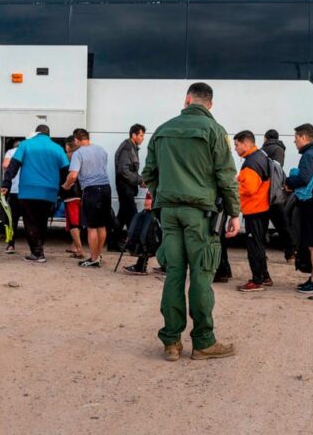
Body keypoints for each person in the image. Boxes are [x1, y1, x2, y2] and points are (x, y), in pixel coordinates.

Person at [141, 82, 240, 362]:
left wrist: (164, 195)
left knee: (173, 274)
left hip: (169, 212)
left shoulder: (162, 130)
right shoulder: (215, 131)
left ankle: (171, 342)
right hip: (200, 215)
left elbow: (148, 173)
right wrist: (234, 212)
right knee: (201, 275)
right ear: (210, 104)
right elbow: (225, 177)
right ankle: (203, 342)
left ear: (187, 100)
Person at [1, 125, 69, 263]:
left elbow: (13, 166)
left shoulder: (26, 145)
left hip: (28, 190)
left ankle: (37, 253)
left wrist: (6, 184)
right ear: (48, 134)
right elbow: (65, 171)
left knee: (30, 221)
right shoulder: (57, 148)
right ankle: (39, 249)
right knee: (42, 221)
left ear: (37, 132)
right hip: (49, 192)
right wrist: (62, 190)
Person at [283, 123, 313, 294]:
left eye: (296, 139)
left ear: (303, 137)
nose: (294, 142)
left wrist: (288, 183)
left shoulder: (309, 155)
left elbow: (303, 178)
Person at [62, 128, 111, 268]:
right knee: (101, 225)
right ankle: (98, 254)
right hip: (106, 188)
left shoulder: (78, 153)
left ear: (76, 139)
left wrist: (66, 185)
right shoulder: (101, 150)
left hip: (91, 190)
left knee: (91, 227)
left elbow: (73, 175)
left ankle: (94, 258)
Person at [233, 130, 273, 292]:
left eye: (237, 145)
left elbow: (249, 188)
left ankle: (257, 281)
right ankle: (264, 276)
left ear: (246, 143)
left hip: (254, 209)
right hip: (262, 208)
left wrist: (234, 185)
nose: (235, 148)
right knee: (259, 243)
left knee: (254, 246)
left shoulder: (251, 162)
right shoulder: (261, 156)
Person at [262, 129, 295, 263]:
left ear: (265, 138)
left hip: (264, 193)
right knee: (282, 225)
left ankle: (261, 254)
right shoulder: (279, 150)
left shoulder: (262, 150)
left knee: (261, 226)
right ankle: (290, 253)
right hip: (274, 194)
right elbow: (278, 171)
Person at [113, 124, 146, 248]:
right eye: (141, 135)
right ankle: (134, 243)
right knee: (133, 215)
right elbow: (124, 170)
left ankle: (115, 241)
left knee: (123, 215)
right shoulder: (127, 149)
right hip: (125, 187)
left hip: (127, 187)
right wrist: (139, 180)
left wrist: (138, 181)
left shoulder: (131, 147)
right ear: (134, 135)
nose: (143, 138)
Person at [62, 136, 85, 259]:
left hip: (71, 194)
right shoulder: (81, 156)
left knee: (73, 224)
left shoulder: (67, 157)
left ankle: (79, 249)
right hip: (82, 193)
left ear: (67, 146)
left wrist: (64, 186)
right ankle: (74, 245)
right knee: (78, 222)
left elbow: (70, 176)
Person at [1, 139, 23, 254]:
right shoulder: (28, 152)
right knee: (30, 220)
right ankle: (34, 247)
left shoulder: (11, 152)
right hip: (27, 190)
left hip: (14, 189)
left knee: (12, 219)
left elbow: (5, 165)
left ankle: (11, 245)